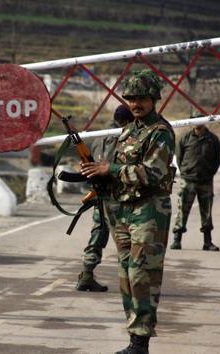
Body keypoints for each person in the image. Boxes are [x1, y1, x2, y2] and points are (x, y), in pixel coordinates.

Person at [81, 69, 175, 354]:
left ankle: (142, 340)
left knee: (141, 274)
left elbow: (153, 173)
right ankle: (135, 339)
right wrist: (96, 173)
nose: (136, 103)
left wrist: (111, 169)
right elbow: (118, 171)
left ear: (154, 98)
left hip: (149, 211)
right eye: (131, 98)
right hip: (123, 211)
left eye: (142, 98)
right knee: (125, 274)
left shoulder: (160, 132)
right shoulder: (129, 131)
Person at [76, 105, 135, 292]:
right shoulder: (125, 138)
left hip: (100, 194)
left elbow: (89, 163)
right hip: (118, 195)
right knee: (125, 239)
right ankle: (131, 282)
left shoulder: (99, 136)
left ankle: (87, 273)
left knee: (98, 233)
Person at [170, 112, 220, 251]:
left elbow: (217, 159)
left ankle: (207, 242)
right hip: (188, 180)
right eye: (194, 120)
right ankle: (177, 240)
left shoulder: (213, 140)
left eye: (200, 119)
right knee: (182, 210)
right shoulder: (185, 139)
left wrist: (210, 173)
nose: (197, 122)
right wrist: (186, 172)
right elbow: (179, 158)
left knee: (207, 212)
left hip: (206, 181)